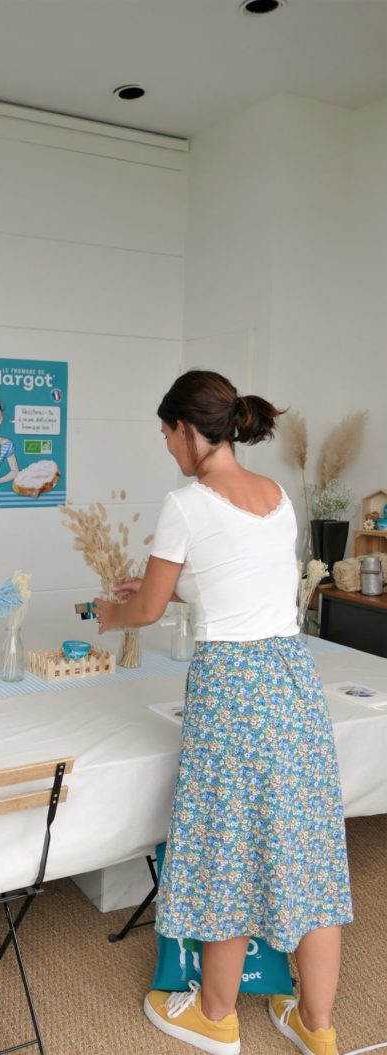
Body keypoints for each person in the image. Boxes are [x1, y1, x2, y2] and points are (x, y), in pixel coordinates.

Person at [94, 370, 353, 1055]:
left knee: (223, 845)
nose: (166, 447)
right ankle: (316, 1028)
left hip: (232, 688)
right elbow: (242, 586)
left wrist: (109, 610)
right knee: (307, 849)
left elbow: (143, 610)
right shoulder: (274, 497)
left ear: (187, 428)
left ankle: (214, 1016)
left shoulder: (185, 501)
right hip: (291, 679)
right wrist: (171, 590)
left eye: (165, 434)